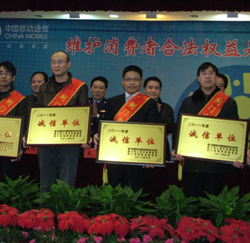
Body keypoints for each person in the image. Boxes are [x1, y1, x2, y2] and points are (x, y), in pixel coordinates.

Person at [172, 62, 242, 198]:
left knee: (214, 203)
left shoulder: (228, 103)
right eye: (204, 73)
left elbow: (235, 131)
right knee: (192, 202)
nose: (207, 76)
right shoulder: (188, 102)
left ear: (216, 77)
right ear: (198, 78)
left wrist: (238, 154)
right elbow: (179, 127)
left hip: (217, 165)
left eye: (211, 73)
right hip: (193, 164)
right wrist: (177, 148)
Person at [34, 51, 89, 191]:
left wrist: (84, 136)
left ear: (68, 64)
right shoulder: (44, 87)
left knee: (67, 182)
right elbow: (37, 114)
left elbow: (83, 113)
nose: (56, 65)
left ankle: (65, 207)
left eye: (60, 62)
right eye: (53, 62)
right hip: (46, 141)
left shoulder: (79, 87)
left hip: (69, 141)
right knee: (46, 181)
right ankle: (45, 206)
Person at [101, 65, 158, 194]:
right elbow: (105, 128)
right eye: (128, 79)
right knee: (114, 194)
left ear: (141, 82)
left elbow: (152, 131)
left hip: (137, 159)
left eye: (136, 79)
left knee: (136, 194)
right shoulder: (112, 102)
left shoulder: (149, 103)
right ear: (123, 82)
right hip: (115, 158)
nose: (132, 83)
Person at [144, 76, 175, 160]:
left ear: (160, 91)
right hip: (141, 146)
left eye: (156, 88)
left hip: (160, 148)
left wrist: (157, 114)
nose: (153, 90)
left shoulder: (167, 108)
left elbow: (169, 128)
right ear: (144, 89)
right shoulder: (137, 108)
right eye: (150, 87)